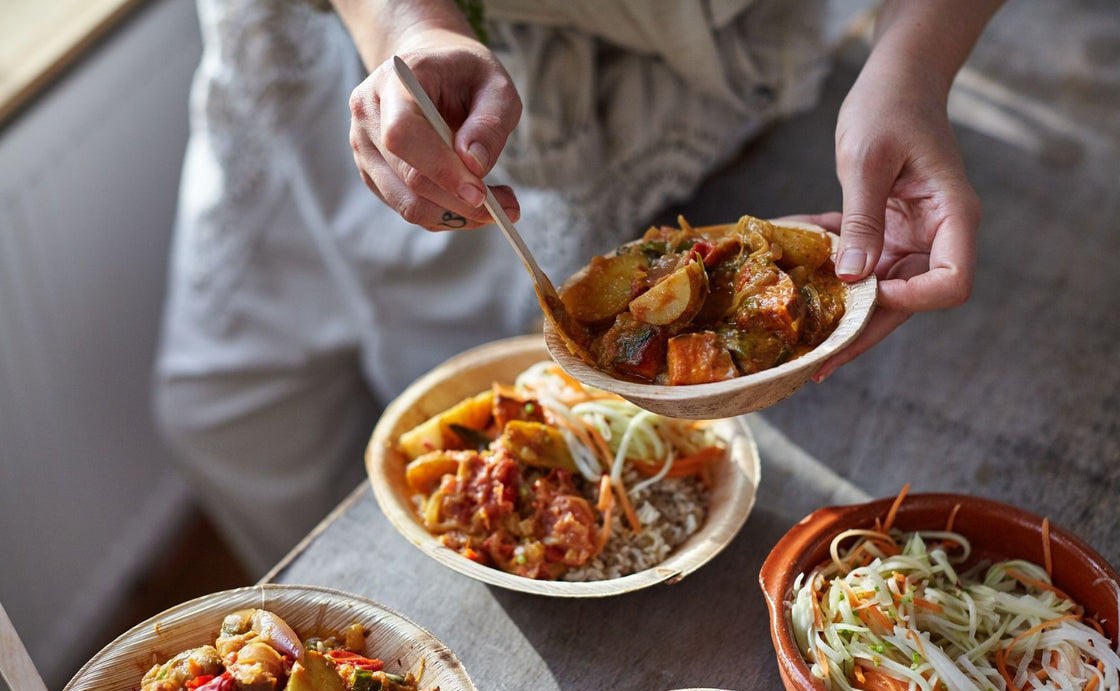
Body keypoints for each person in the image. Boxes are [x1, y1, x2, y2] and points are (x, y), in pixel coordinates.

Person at [154, 0, 1001, 576]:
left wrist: (914, 68)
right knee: (222, 410)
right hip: (340, 41)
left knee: (477, 415)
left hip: (623, 78)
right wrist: (410, 22)